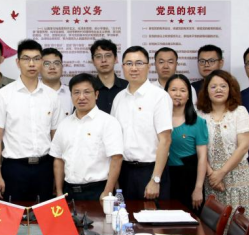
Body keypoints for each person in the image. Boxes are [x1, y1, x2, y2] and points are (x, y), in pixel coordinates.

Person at [0, 40, 61, 202]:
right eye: (26, 59)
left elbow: (56, 139)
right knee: (14, 215)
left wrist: (57, 178)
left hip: (45, 168)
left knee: (43, 215)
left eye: (36, 59)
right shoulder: (4, 95)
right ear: (18, 62)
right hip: (14, 168)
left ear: (41, 62)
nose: (31, 64)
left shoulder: (52, 96)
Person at [196, 70, 249, 222]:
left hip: (238, 177)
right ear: (206, 91)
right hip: (211, 179)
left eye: (223, 86)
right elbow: (198, 148)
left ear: (230, 89)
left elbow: (243, 147)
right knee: (217, 226)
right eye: (213, 87)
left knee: (241, 227)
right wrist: (212, 174)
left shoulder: (239, 112)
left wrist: (222, 172)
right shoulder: (199, 114)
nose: (218, 90)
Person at [111, 46, 173, 201]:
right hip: (124, 171)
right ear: (122, 67)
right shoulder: (119, 98)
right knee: (124, 215)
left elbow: (165, 140)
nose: (133, 68)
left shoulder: (159, 96)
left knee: (152, 216)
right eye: (129, 63)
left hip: (151, 170)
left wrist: (155, 179)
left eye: (139, 63)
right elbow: (113, 139)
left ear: (148, 66)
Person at [51, 73, 123, 201]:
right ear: (71, 96)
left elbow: (116, 159)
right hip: (68, 191)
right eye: (76, 92)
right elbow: (58, 159)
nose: (81, 97)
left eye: (86, 92)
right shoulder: (64, 124)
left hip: (97, 191)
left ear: (96, 94)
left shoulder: (108, 122)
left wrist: (107, 192)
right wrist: (59, 191)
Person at [166, 74, 208, 211]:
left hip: (188, 177)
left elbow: (202, 157)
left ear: (189, 95)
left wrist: (198, 188)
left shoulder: (198, 122)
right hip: (164, 177)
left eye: (183, 90)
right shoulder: (158, 119)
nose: (178, 94)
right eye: (173, 90)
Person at [90, 38, 128, 114]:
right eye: (98, 56)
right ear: (93, 61)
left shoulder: (128, 87)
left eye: (108, 55)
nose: (103, 60)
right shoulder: (88, 89)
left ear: (116, 59)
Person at [41, 47, 74, 118]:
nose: (52, 67)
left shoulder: (72, 93)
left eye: (56, 63)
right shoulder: (32, 93)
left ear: (62, 67)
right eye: (47, 64)